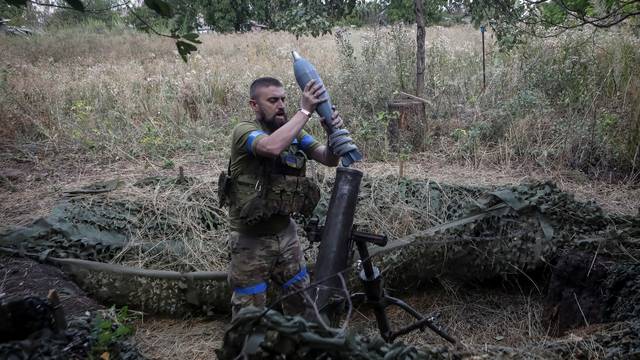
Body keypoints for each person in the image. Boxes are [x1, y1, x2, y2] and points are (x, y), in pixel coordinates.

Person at [220, 76, 344, 318]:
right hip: (251, 241)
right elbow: (271, 147)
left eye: (283, 99)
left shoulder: (294, 133)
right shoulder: (245, 131)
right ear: (254, 105)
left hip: (287, 236)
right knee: (249, 313)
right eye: (273, 100)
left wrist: (332, 132)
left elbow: (328, 158)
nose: (281, 105)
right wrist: (305, 110)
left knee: (302, 302)